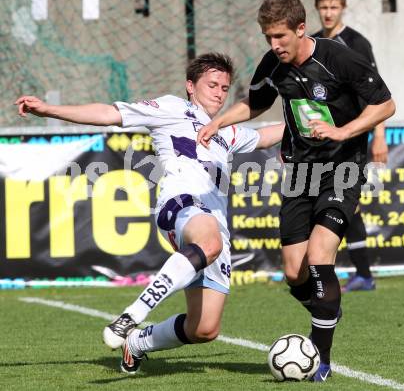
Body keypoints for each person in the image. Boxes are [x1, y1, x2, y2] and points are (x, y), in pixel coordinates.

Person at [15, 53, 285, 374]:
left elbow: (268, 134)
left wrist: (330, 117)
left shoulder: (225, 131)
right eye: (212, 84)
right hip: (180, 201)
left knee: (204, 328)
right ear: (190, 86)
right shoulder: (172, 108)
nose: (219, 93)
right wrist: (49, 109)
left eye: (225, 88)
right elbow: (109, 113)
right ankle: (132, 314)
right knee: (208, 242)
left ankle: (139, 342)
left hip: (214, 224)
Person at [197, 0, 395, 381]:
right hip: (302, 173)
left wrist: (344, 131)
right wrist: (220, 121)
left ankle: (321, 358)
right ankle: (327, 310)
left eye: (280, 37)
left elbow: (385, 104)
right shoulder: (274, 63)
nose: (274, 45)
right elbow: (254, 103)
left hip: (343, 169)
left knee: (321, 256)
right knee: (294, 273)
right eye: (268, 37)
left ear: (300, 29)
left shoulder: (340, 58)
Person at [313, 0, 389, 292]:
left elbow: (378, 93)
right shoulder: (312, 42)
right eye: (324, 7)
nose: (329, 13)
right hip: (319, 139)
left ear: (343, 7)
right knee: (329, 204)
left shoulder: (357, 43)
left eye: (334, 7)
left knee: (346, 203)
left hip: (351, 136)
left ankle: (362, 274)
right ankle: (354, 274)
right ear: (317, 8)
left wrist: (379, 136)